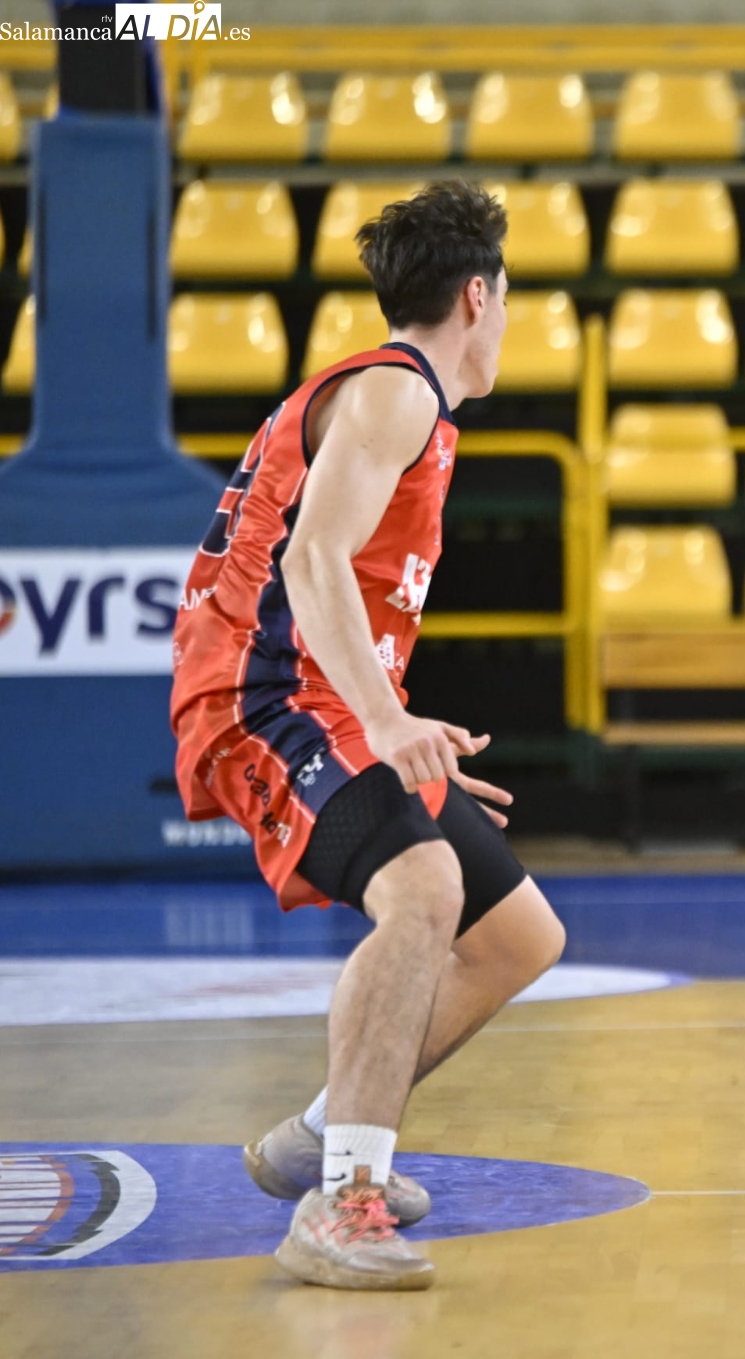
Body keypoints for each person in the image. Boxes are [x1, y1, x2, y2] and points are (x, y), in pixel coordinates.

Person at [170, 182, 566, 1291]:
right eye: (509, 300)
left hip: (325, 701)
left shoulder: (394, 396)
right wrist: (387, 727)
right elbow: (310, 564)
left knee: (516, 937)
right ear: (478, 295)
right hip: (263, 697)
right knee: (425, 891)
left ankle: (318, 1134)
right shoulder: (397, 392)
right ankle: (343, 1199)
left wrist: (394, 735)